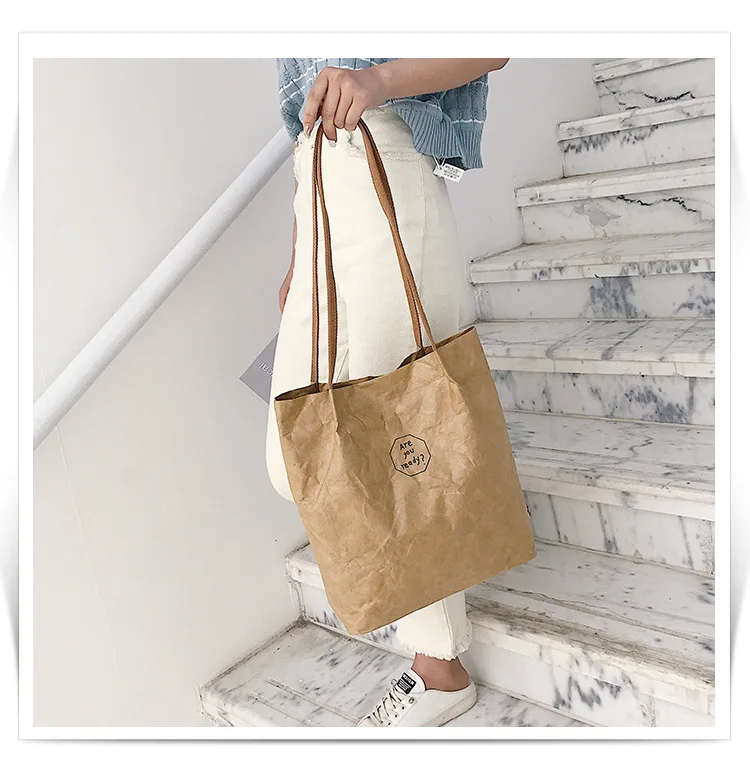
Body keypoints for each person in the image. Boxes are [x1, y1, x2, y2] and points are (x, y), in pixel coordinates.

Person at [266, 58, 510, 728]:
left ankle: (439, 667)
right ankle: (433, 621)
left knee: (398, 432)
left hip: (388, 157)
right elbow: (303, 114)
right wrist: (301, 247)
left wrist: (378, 82)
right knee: (294, 457)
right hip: (317, 181)